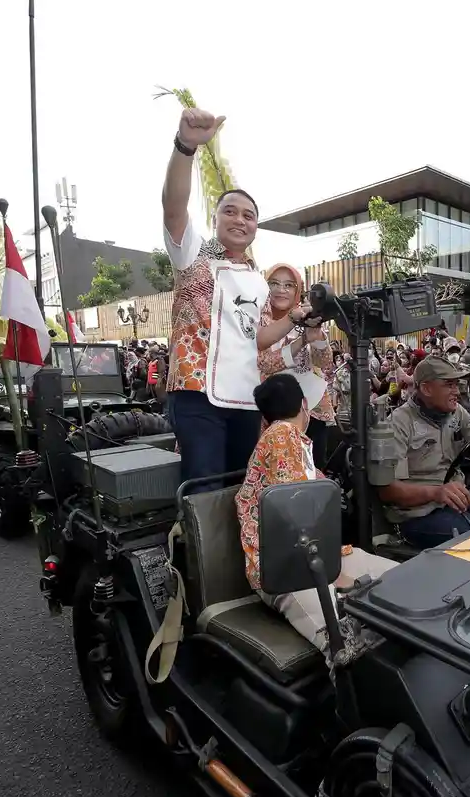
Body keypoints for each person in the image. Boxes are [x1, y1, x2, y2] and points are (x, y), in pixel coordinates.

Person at [234, 374, 396, 653]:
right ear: (305, 405)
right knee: (347, 638)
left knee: (404, 581)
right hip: (287, 566)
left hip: (321, 555)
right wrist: (332, 578)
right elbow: (295, 518)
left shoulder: (292, 442)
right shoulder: (282, 436)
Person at [161, 106, 269, 490]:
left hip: (245, 398)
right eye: (230, 211)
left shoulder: (260, 281)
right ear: (216, 219)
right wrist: (185, 147)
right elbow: (173, 209)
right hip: (197, 393)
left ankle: (242, 553)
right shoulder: (193, 256)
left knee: (242, 487)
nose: (240, 220)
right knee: (204, 488)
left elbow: (262, 339)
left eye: (249, 215)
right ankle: (196, 551)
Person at [379, 356, 470, 549]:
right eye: (449, 385)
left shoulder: (456, 412)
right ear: (426, 389)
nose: (457, 391)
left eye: (457, 384)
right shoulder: (398, 423)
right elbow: (387, 491)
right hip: (417, 514)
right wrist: (437, 492)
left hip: (456, 495)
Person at [256, 263, 335, 470]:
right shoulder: (256, 322)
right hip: (271, 414)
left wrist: (316, 336)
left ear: (297, 290)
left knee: (314, 471)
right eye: (274, 283)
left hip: (312, 408)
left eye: (289, 285)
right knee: (278, 473)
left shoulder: (307, 317)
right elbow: (264, 364)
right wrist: (300, 342)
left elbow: (324, 363)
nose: (281, 290)